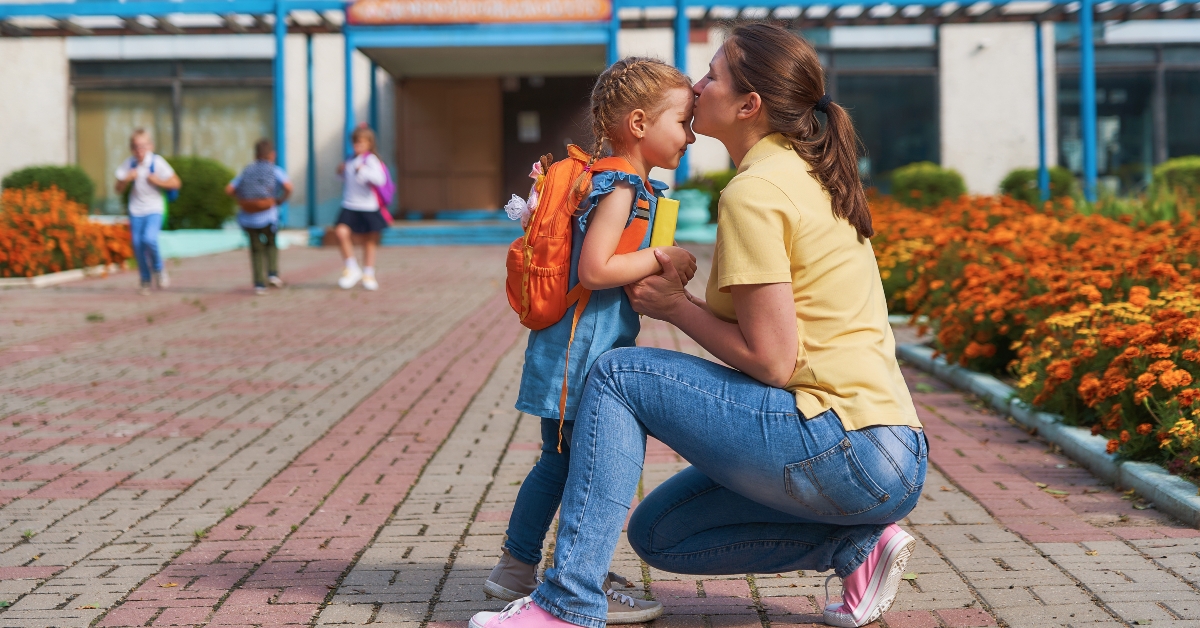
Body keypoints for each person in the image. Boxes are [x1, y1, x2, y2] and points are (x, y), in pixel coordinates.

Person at [470, 24, 926, 628]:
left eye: (713, 74)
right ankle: (856, 548)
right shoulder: (805, 175)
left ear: (748, 106)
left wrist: (675, 307)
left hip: (845, 443)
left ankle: (567, 603)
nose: (698, 84)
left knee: (615, 374)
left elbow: (772, 362)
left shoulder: (757, 190)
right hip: (886, 450)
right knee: (660, 534)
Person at [481, 57, 698, 625]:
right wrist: (662, 255)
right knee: (569, 465)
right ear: (637, 123)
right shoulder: (620, 187)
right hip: (578, 357)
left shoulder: (617, 181)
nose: (691, 135)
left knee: (561, 461)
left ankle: (524, 565)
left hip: (576, 350)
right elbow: (598, 270)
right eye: (683, 121)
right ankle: (540, 568)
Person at [115, 129, 180, 295]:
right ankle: (145, 279)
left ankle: (158, 269)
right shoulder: (129, 164)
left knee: (149, 239)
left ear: (150, 146)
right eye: (136, 147)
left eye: (143, 146)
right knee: (137, 245)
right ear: (131, 148)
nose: (139, 150)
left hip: (154, 208)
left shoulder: (156, 162)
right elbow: (118, 189)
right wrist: (126, 179)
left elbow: (176, 182)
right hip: (135, 210)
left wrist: (157, 180)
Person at [226, 138, 293, 295]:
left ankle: (259, 284)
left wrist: (241, 200)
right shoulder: (275, 170)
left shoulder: (247, 170)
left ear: (255, 155)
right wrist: (280, 200)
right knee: (271, 243)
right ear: (272, 155)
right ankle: (272, 273)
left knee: (256, 250)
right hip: (268, 215)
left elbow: (229, 189)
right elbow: (289, 187)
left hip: (248, 217)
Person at [335, 126, 388, 291]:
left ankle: (369, 273)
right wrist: (340, 172)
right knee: (340, 232)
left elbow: (380, 180)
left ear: (369, 144)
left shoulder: (371, 160)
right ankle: (352, 268)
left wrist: (363, 170)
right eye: (355, 142)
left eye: (361, 142)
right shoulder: (350, 159)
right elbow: (343, 180)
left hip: (367, 206)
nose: (357, 145)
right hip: (350, 204)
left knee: (369, 241)